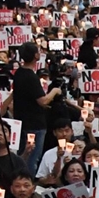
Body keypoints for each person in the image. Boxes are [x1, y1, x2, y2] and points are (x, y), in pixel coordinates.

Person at [12, 42, 63, 177]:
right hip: (34, 125)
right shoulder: (30, 76)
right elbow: (42, 100)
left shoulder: (18, 73)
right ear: (36, 55)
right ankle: (28, 182)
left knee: (24, 155)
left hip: (22, 121)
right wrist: (54, 91)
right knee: (32, 159)